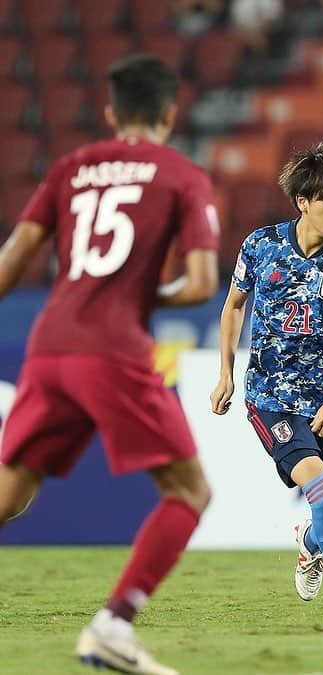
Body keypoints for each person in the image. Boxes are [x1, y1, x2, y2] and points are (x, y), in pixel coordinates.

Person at [0, 55, 220, 673]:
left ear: (110, 113)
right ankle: (113, 626)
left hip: (48, 345)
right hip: (113, 349)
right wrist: (143, 296)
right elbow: (202, 284)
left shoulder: (72, 167)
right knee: (189, 491)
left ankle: (112, 629)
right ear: (170, 114)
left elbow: (16, 254)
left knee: (10, 494)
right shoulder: (182, 175)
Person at [210, 142, 323, 615]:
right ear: (304, 201)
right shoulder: (261, 245)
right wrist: (225, 372)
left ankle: (311, 541)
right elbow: (234, 306)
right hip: (270, 397)